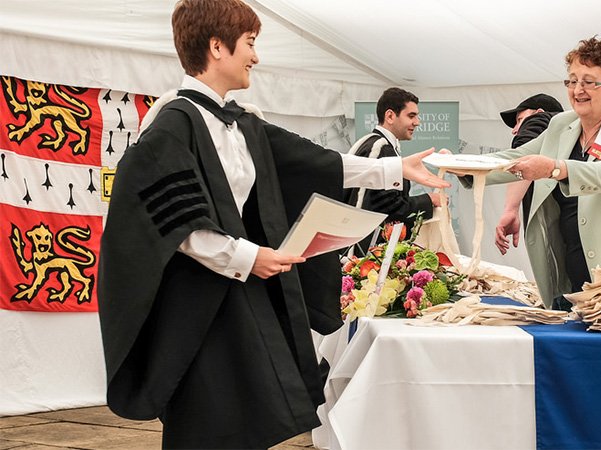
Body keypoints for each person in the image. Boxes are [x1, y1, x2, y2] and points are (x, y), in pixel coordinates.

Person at [96, 0, 448, 448]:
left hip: (240, 290)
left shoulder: (243, 123)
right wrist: (248, 256)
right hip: (197, 301)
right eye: (250, 44)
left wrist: (396, 170)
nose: (257, 57)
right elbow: (172, 222)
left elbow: (313, 161)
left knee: (248, 413)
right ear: (217, 47)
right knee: (206, 418)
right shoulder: (171, 128)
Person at [469, 37, 601, 311]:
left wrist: (555, 168)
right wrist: (458, 165)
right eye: (572, 81)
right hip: (572, 284)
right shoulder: (563, 125)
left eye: (589, 81)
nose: (577, 90)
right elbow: (513, 159)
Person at [344, 87, 441, 236]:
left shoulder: (370, 143)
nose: (417, 122)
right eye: (411, 116)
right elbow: (385, 208)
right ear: (390, 116)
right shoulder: (380, 148)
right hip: (369, 249)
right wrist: (428, 200)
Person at [494, 93, 563, 255]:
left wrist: (511, 209)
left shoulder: (541, 119)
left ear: (539, 113)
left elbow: (522, 159)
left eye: (519, 120)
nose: (515, 130)